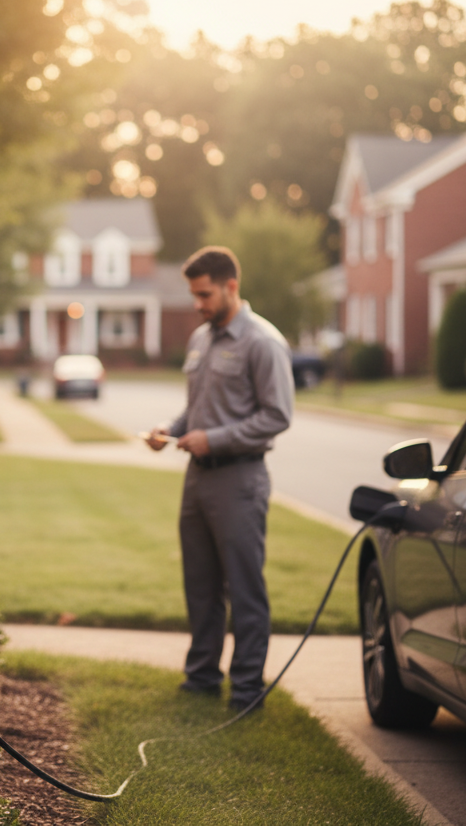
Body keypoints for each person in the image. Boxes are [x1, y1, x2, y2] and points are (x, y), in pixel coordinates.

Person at [146, 245, 293, 710]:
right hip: (197, 480)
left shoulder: (263, 342)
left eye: (205, 294)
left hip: (240, 480)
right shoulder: (201, 338)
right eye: (194, 295)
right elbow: (198, 409)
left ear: (231, 286)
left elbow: (277, 416)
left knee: (245, 587)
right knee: (201, 583)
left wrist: (217, 439)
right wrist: (172, 429)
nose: (198, 304)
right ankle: (202, 676)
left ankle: (247, 689)